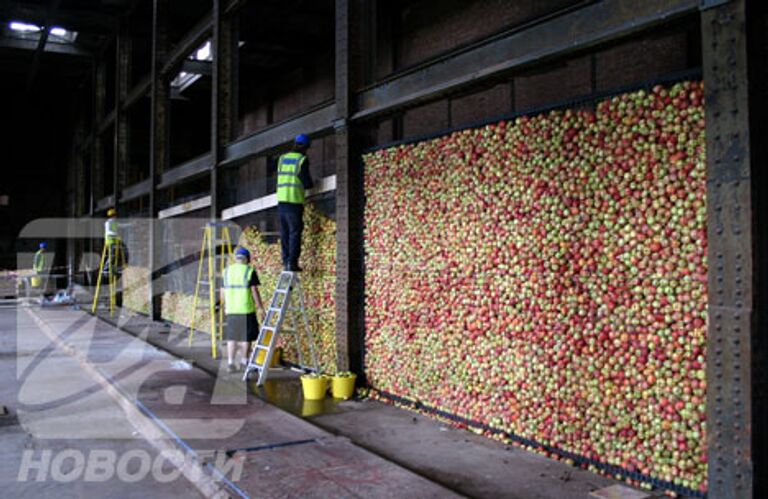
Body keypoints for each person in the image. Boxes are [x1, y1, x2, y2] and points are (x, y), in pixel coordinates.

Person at [220, 247, 265, 373]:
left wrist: (225, 306)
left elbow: (222, 291)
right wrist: (260, 307)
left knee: (232, 337)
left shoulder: (227, 271)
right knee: (246, 338)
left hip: (231, 310)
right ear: (247, 259)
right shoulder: (249, 271)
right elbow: (254, 291)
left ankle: (230, 363)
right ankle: (244, 362)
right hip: (246, 309)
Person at [276, 134, 314, 271]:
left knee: (285, 233)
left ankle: (285, 260)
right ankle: (292, 263)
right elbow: (306, 182)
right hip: (294, 202)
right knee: (294, 233)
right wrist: (312, 184)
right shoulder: (301, 160)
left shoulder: (282, 159)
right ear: (305, 147)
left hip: (281, 202)